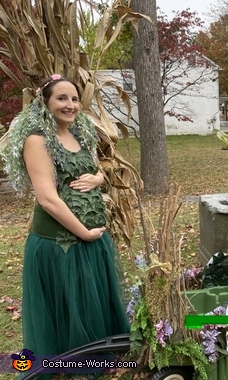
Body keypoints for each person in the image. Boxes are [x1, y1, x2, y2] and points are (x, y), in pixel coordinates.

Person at [0, 75, 130, 369]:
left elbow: (95, 168)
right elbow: (46, 198)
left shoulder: (77, 133)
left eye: (73, 99)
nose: (70, 105)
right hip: (61, 242)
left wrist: (98, 177)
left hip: (89, 238)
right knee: (69, 305)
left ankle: (94, 356)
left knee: (88, 303)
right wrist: (83, 232)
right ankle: (73, 362)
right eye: (61, 98)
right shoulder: (37, 139)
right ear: (44, 102)